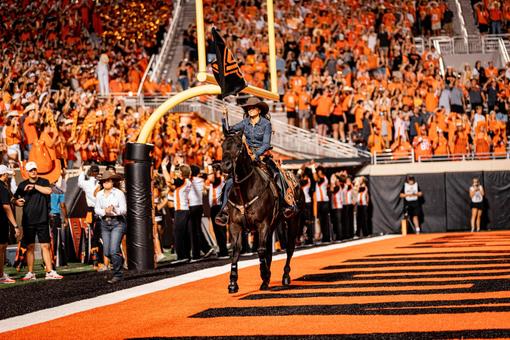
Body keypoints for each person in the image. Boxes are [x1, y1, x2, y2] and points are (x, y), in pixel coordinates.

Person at [215, 97, 297, 227]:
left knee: (277, 175)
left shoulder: (266, 124)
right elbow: (228, 131)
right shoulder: (245, 122)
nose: (250, 110)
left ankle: (285, 205)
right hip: (247, 157)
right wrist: (224, 116)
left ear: (258, 110)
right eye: (248, 108)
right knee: (230, 180)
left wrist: (256, 155)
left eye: (253, 108)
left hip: (263, 156)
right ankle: (224, 210)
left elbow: (266, 144)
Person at [15, 162, 63, 280]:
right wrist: (16, 202)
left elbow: (49, 191)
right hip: (28, 220)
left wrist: (35, 186)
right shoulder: (22, 185)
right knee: (30, 247)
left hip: (42, 219)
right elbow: (15, 197)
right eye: (31, 170)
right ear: (27, 172)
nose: (33, 172)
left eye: (35, 169)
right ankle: (31, 273)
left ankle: (49, 271)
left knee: (45, 246)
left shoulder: (43, 181)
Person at [94, 170, 126, 283]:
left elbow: (123, 209)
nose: (105, 183)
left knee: (112, 250)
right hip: (104, 223)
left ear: (112, 181)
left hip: (117, 222)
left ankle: (118, 274)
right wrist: (104, 211)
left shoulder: (119, 193)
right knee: (107, 252)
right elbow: (96, 209)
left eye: (107, 181)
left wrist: (114, 209)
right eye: (103, 181)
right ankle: (119, 259)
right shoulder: (99, 194)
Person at [0, 165, 20, 284]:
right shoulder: (1, 187)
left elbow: (9, 198)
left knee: (2, 247)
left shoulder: (3, 186)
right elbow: (6, 207)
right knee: (1, 248)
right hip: (1, 220)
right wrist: (15, 226)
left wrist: (15, 201)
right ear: (4, 174)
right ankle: (1, 275)